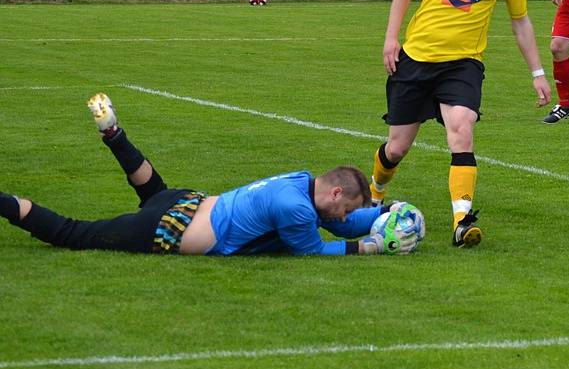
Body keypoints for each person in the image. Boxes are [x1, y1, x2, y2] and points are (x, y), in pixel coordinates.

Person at [0, 94, 422, 256]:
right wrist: (371, 249)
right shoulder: (295, 210)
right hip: (171, 228)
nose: (345, 217)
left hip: (185, 201)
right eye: (347, 208)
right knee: (75, 234)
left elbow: (340, 223)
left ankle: (114, 134)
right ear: (333, 193)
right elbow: (313, 250)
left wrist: (391, 214)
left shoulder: (301, 182)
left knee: (152, 189)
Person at [367, 0, 552, 248]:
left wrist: (537, 73)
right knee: (397, 147)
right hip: (416, 59)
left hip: (463, 65)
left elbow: (520, 21)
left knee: (462, 127)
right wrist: (391, 38)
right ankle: (374, 197)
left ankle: (462, 221)